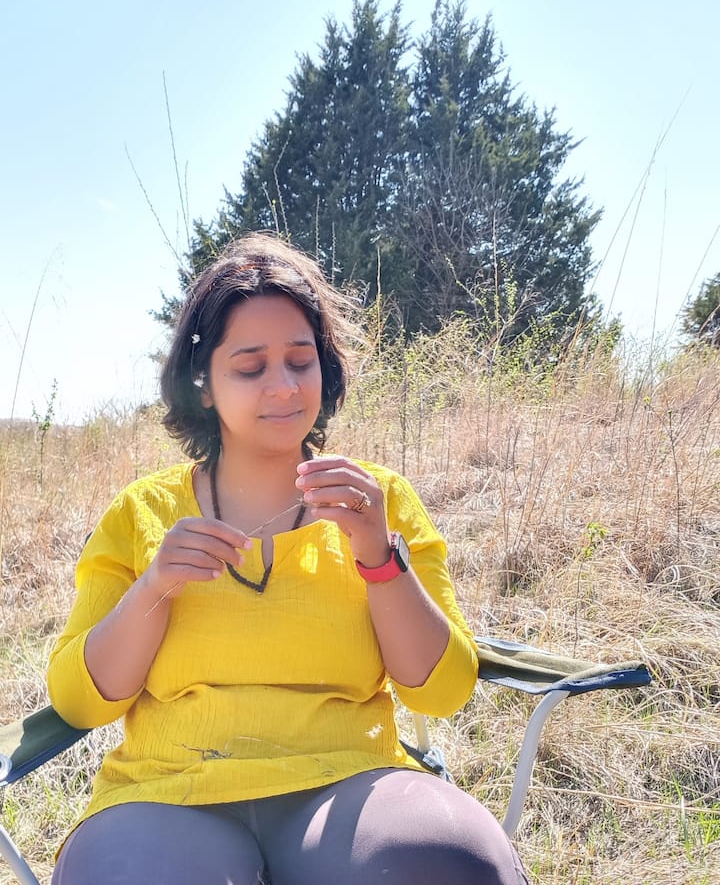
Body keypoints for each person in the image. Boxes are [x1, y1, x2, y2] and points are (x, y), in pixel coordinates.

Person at [47, 232, 528, 885]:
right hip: (169, 794)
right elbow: (80, 703)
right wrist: (154, 587)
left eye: (301, 361)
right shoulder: (143, 514)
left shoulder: (377, 502)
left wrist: (378, 557)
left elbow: (441, 691)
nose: (282, 387)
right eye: (250, 368)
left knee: (455, 859)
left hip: (349, 784)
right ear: (204, 385)